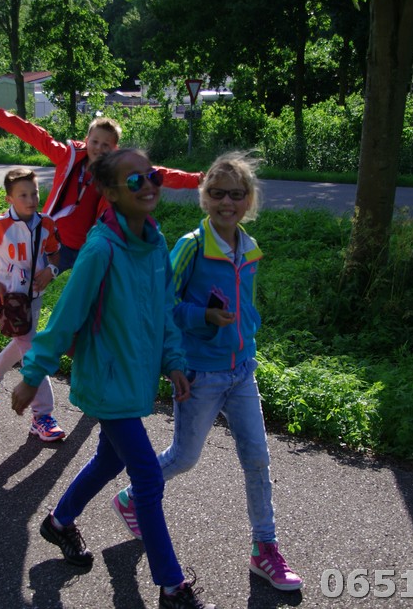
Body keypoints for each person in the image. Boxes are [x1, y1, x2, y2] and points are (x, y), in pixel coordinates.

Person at [11, 149, 216, 609]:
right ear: (108, 192)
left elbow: (164, 311)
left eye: (153, 175)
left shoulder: (155, 245)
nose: (149, 185)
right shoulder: (100, 249)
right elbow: (65, 318)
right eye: (135, 180)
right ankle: (172, 586)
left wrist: (174, 361)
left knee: (109, 460)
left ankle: (59, 522)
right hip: (107, 382)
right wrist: (32, 375)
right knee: (147, 475)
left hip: (134, 380)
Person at [111, 152, 303, 592]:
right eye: (217, 193)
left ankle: (265, 547)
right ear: (204, 197)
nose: (226, 203)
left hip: (242, 370)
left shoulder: (249, 248)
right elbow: (162, 304)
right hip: (200, 373)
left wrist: (246, 333)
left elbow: (246, 305)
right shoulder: (191, 246)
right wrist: (202, 319)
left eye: (236, 194)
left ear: (249, 199)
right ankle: (132, 498)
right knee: (184, 457)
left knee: (257, 458)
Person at [0, 101, 202, 272]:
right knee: (32, 284)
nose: (99, 148)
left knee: (91, 299)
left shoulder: (118, 172)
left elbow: (155, 174)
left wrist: (195, 180)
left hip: (89, 248)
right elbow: (38, 136)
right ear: (86, 140)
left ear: (114, 149)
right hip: (53, 243)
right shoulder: (68, 157)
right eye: (95, 142)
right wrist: (1, 119)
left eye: (106, 145)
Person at [0, 168, 65, 441]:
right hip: (8, 298)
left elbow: (55, 253)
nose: (31, 199)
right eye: (23, 195)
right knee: (31, 348)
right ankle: (42, 415)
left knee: (23, 341)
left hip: (34, 296)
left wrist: (51, 271)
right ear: (9, 199)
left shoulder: (46, 223)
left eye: (35, 193)